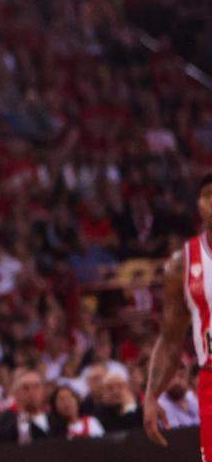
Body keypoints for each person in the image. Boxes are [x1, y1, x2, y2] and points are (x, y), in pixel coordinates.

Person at [141, 171, 212, 450]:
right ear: (198, 204)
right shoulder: (181, 263)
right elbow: (170, 339)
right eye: (208, 196)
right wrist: (151, 395)